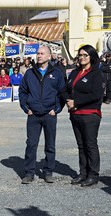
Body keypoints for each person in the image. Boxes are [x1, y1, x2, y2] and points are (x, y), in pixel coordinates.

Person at [19, 46, 65, 184]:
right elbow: (22, 91)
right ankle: (29, 173)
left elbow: (61, 93)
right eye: (38, 53)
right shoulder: (30, 73)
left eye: (42, 53)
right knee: (31, 144)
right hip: (33, 115)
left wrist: (57, 109)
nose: (39, 56)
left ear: (49, 56)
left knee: (50, 145)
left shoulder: (57, 73)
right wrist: (26, 108)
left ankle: (48, 171)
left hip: (49, 114)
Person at [61, 44, 105, 187]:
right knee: (81, 145)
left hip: (90, 114)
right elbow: (65, 88)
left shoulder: (96, 74)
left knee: (90, 144)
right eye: (80, 55)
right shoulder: (74, 72)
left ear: (91, 57)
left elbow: (96, 95)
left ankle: (93, 174)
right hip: (75, 114)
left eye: (85, 55)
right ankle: (83, 173)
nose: (82, 58)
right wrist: (67, 100)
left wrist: (76, 102)